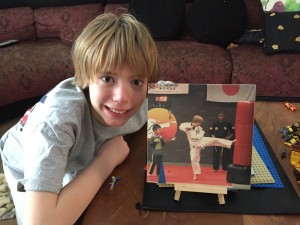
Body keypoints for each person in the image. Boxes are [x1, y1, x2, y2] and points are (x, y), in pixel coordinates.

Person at [0, 13, 159, 225]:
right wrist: (105, 161)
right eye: (107, 78)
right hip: (22, 158)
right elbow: (40, 223)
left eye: (136, 81)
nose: (123, 97)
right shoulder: (54, 123)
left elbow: (180, 92)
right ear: (85, 77)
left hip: (77, 151)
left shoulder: (147, 97)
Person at [180, 115, 234, 180]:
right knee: (193, 159)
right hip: (194, 146)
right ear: (196, 121)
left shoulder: (199, 128)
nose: (199, 124)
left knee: (215, 140)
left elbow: (200, 135)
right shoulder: (186, 125)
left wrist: (200, 140)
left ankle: (230, 142)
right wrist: (189, 127)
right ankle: (196, 174)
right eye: (199, 123)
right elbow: (181, 127)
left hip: (201, 141)